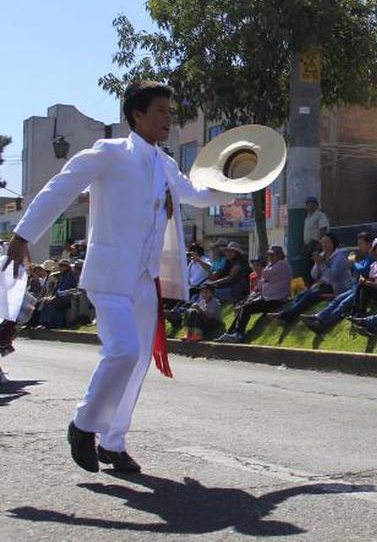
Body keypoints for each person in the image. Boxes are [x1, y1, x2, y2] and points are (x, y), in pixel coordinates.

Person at [3, 79, 232, 473]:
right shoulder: (109, 153)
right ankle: (83, 425)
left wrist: (236, 184)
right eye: (160, 111)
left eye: (170, 112)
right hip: (109, 275)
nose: (168, 119)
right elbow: (60, 188)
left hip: (145, 277)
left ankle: (113, 440)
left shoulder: (166, 164)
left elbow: (194, 192)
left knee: (139, 359)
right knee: (123, 351)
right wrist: (23, 235)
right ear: (136, 115)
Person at [300, 235, 377, 332]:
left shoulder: (374, 259)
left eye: (361, 244)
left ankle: (322, 324)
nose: (359, 247)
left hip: (365, 289)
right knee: (338, 299)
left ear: (369, 244)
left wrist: (354, 263)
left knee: (343, 304)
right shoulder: (367, 258)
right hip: (357, 287)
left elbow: (363, 271)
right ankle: (319, 317)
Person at [217, 246, 291, 343]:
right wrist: (251, 296)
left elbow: (263, 274)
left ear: (280, 255)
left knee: (247, 307)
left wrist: (262, 272)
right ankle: (230, 333)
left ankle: (238, 334)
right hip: (267, 298)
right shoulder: (271, 266)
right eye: (269, 255)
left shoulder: (281, 265)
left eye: (273, 255)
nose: (271, 257)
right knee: (243, 306)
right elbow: (260, 284)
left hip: (276, 300)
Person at [273, 233, 347, 322]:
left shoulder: (339, 257)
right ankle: (288, 316)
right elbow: (314, 276)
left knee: (310, 296)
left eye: (327, 242)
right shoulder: (322, 255)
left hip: (337, 287)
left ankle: (285, 315)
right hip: (324, 285)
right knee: (301, 294)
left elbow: (334, 276)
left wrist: (321, 264)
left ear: (333, 243)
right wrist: (316, 264)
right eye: (322, 242)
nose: (324, 245)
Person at [36, 259, 78, 328]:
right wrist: (51, 296)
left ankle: (53, 323)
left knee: (52, 302)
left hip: (67, 296)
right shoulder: (61, 276)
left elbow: (72, 288)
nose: (61, 267)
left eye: (63, 266)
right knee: (45, 301)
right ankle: (44, 322)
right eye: (60, 265)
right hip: (59, 295)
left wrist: (57, 295)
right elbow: (56, 288)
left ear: (67, 267)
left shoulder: (71, 276)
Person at [302, 197, 329, 283]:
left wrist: (320, 244)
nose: (310, 206)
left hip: (316, 244)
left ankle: (316, 283)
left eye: (312, 204)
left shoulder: (320, 215)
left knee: (316, 266)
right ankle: (310, 284)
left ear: (316, 205)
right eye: (308, 204)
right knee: (307, 267)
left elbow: (323, 229)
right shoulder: (307, 218)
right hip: (308, 245)